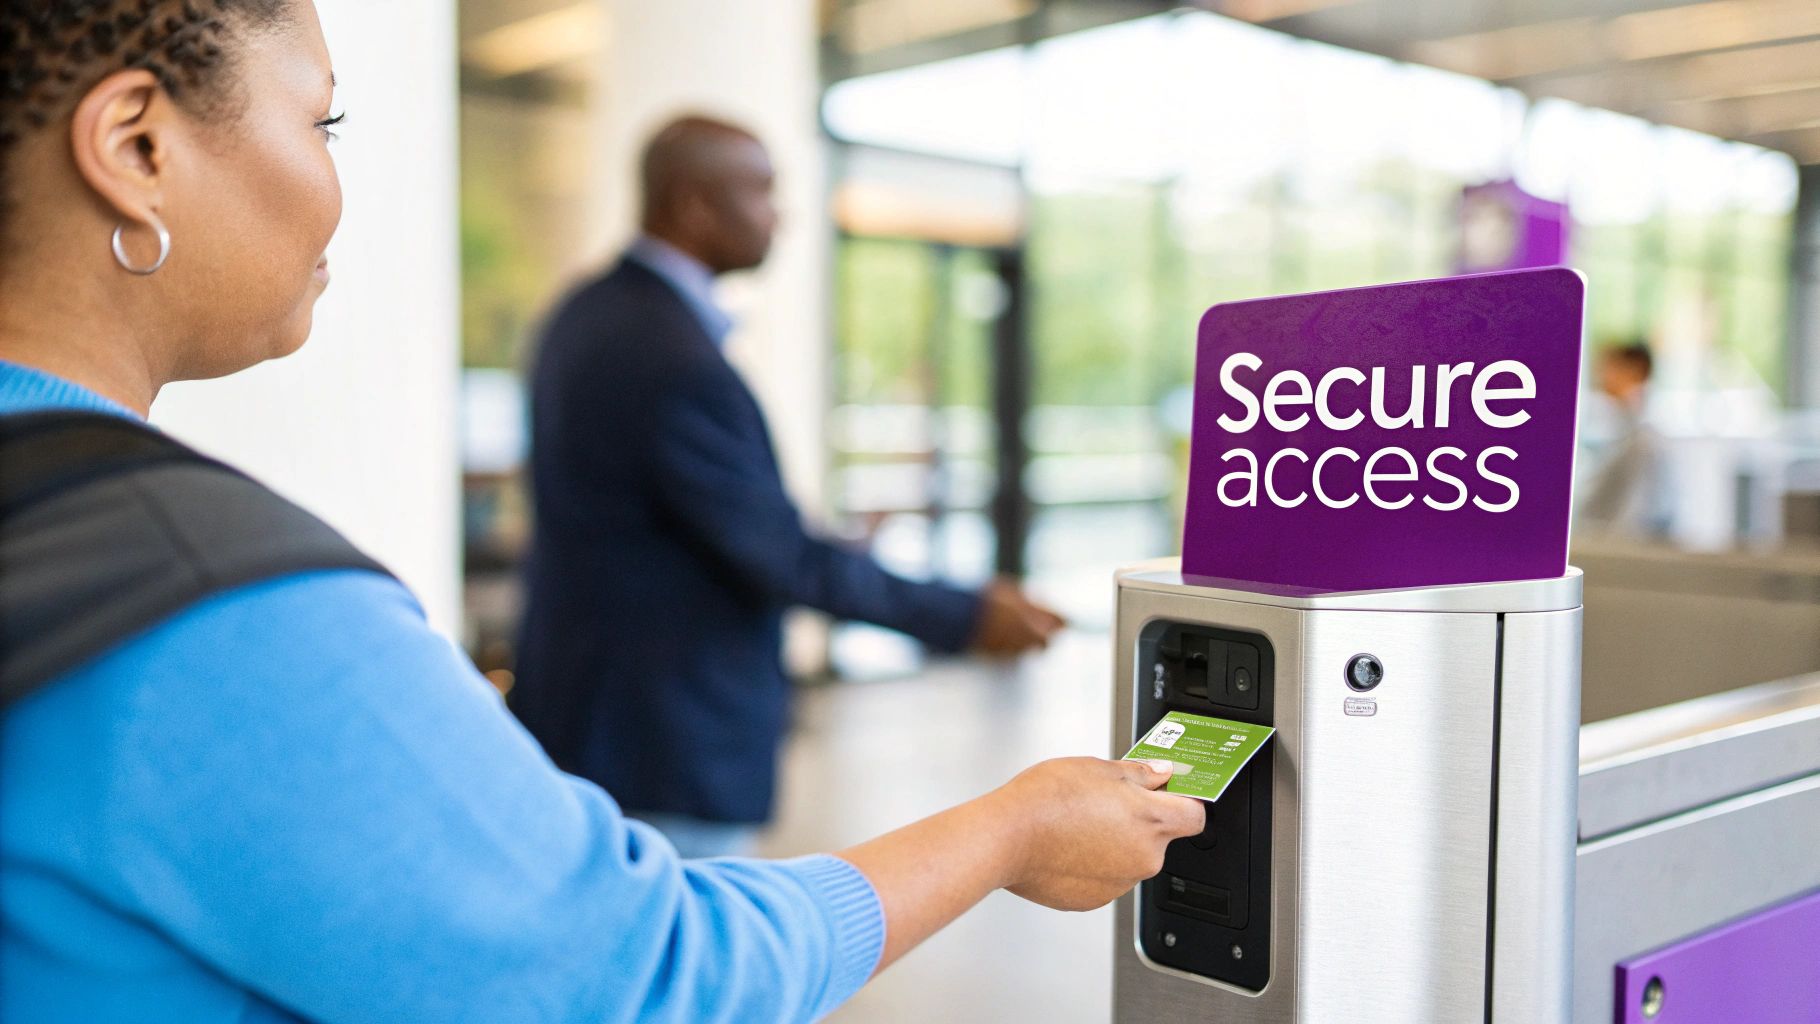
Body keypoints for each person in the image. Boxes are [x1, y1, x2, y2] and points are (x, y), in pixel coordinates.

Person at [0, 3, 1204, 1021]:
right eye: (324, 121)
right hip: (659, 725)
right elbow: (645, 973)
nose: (337, 184)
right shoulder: (222, 611)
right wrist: (1009, 832)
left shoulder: (586, 319)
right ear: (138, 145)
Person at [511, 116, 1067, 858]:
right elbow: (777, 555)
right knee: (696, 958)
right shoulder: (671, 357)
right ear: (693, 206)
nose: (782, 216)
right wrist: (965, 614)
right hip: (663, 740)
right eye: (762, 191)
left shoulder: (585, 314)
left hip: (595, 718)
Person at [1580, 341, 1672, 539]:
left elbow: (1636, 511)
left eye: (1611, 367)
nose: (1602, 375)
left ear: (1635, 370)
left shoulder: (1643, 438)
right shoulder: (1620, 427)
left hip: (1622, 547)